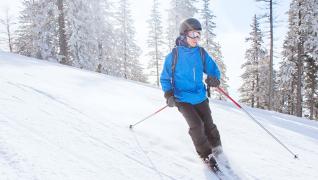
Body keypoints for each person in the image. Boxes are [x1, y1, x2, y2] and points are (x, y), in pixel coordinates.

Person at [160, 18, 222, 165]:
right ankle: (206, 155)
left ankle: (217, 148)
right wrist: (169, 95)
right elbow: (164, 78)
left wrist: (214, 78)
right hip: (182, 99)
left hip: (200, 96)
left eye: (198, 34)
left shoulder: (201, 53)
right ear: (183, 35)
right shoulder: (173, 56)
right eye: (193, 34)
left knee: (209, 124)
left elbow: (212, 69)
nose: (196, 38)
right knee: (197, 126)